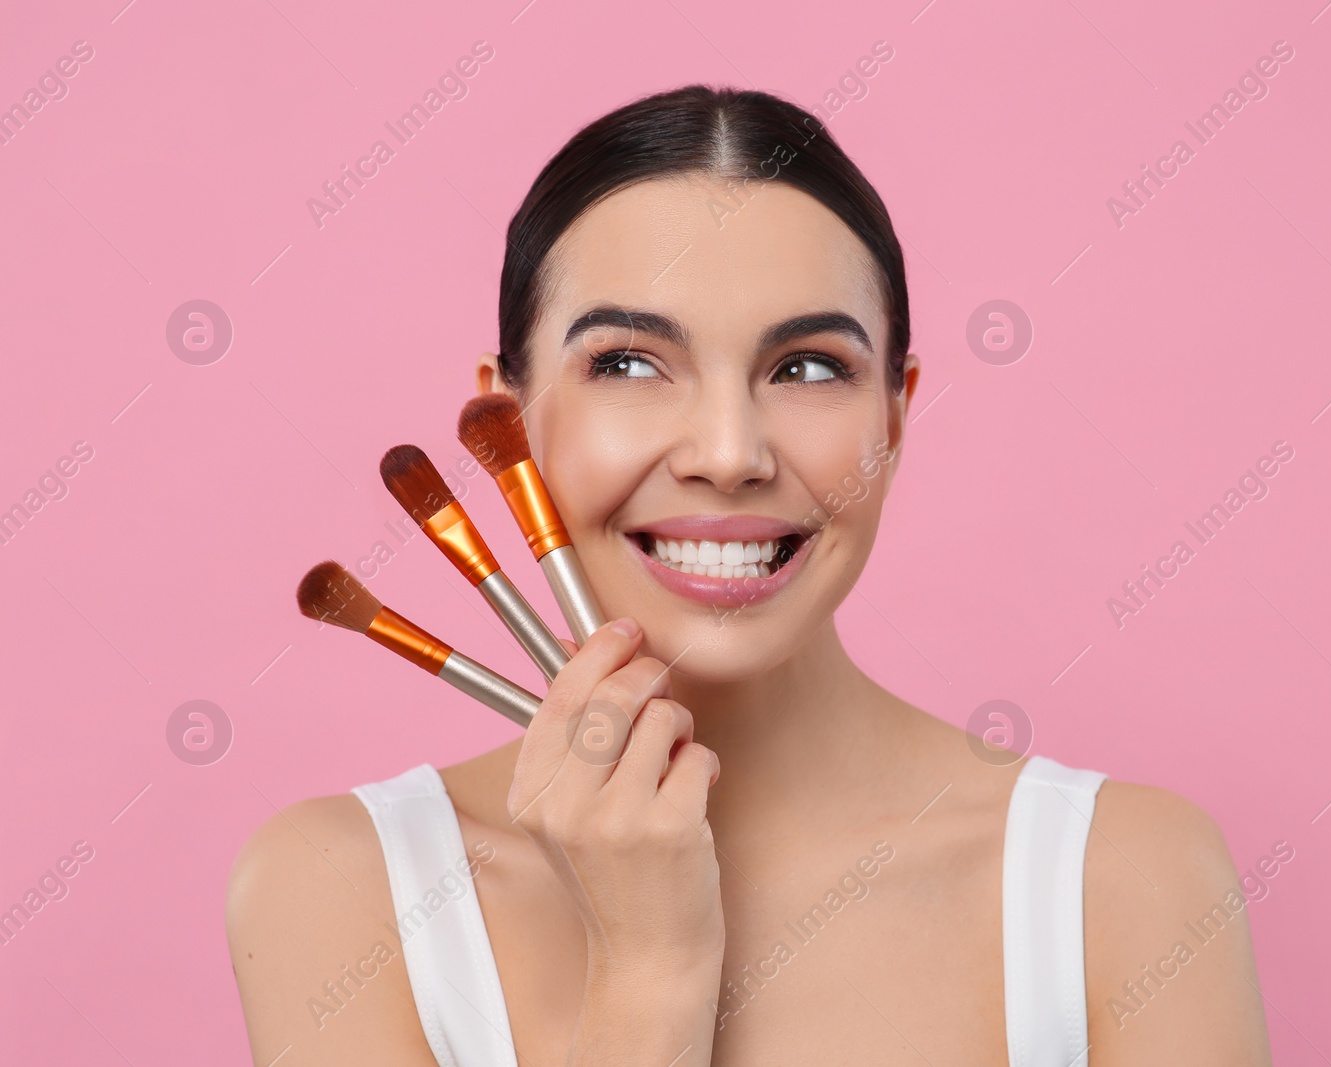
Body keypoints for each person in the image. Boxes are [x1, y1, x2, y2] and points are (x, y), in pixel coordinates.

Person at [226, 84, 1273, 1065]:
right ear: (513, 413)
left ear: (896, 414)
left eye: (808, 366)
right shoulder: (343, 887)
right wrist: (651, 967)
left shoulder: (1125, 879)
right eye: (627, 363)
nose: (728, 451)